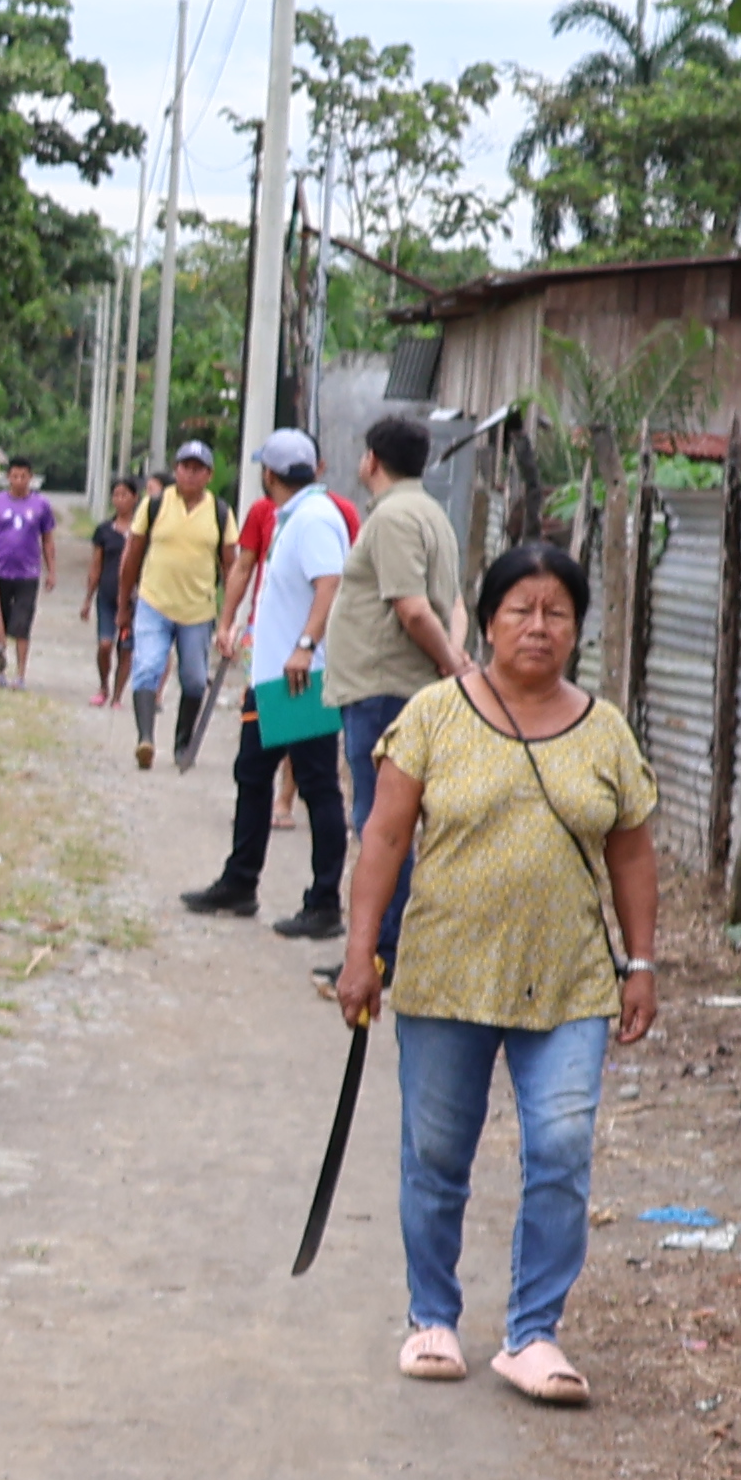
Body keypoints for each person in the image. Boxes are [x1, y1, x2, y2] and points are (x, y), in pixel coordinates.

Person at [329, 538, 665, 1408]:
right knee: (437, 1151)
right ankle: (432, 1317)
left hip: (569, 981)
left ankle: (533, 1332)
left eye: (558, 612)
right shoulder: (433, 716)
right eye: (521, 609)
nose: (539, 626)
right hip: (447, 973)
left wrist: (641, 963)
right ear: (486, 621)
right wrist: (361, 952)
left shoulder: (605, 729)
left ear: (578, 628)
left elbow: (632, 854)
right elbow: (384, 839)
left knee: (560, 1148)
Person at [190, 427, 357, 937]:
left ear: (268, 473)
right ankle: (240, 881)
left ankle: (324, 902)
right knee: (252, 774)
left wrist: (305, 646)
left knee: (318, 787)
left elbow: (331, 584)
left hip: (300, 677)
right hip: (272, 678)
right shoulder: (292, 517)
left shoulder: (314, 518)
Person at [326, 412, 473, 902]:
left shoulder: (393, 518)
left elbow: (412, 608)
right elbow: (453, 604)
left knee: (380, 823)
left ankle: (384, 938)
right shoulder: (433, 515)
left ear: (371, 460)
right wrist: (454, 655)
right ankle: (393, 932)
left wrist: (451, 663)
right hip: (402, 687)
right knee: (395, 819)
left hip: (384, 688)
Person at [121, 440, 235, 771]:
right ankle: (145, 738)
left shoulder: (220, 513)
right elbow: (133, 554)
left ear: (209, 475)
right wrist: (123, 602)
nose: (190, 474)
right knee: (147, 667)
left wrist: (228, 618)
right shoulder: (155, 505)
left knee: (195, 679)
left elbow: (232, 567)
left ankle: (183, 743)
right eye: (185, 467)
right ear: (176, 470)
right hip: (154, 601)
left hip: (197, 610)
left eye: (198, 469)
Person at [0, 452, 58, 684]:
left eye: (23, 476)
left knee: (22, 624)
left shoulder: (41, 505)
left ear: (30, 478)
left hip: (27, 573)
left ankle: (20, 674)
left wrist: (51, 570)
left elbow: (47, 539)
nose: (19, 481)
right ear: (8, 478)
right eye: (14, 476)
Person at [86, 472, 142, 707]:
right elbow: (96, 565)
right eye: (116, 495)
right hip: (107, 596)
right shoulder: (104, 531)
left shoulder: (141, 531)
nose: (120, 500)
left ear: (135, 498)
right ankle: (103, 685)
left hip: (133, 599)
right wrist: (87, 599)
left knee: (126, 648)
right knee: (105, 644)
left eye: (124, 495)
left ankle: (118, 695)